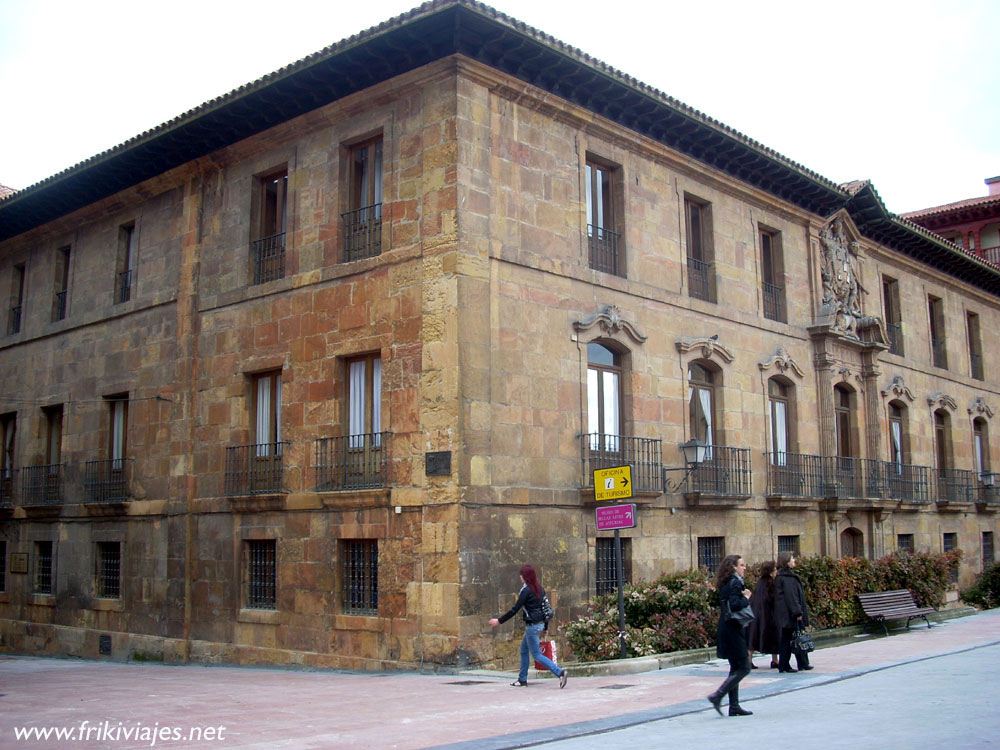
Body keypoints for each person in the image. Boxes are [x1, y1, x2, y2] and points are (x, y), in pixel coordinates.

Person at [489, 564, 568, 688]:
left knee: (537, 655)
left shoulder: (526, 591)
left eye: (521, 575)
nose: (520, 577)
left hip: (532, 626)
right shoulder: (539, 589)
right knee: (524, 650)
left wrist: (499, 621)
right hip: (539, 625)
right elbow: (545, 610)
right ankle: (522, 679)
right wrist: (545, 628)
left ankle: (560, 672)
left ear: (525, 577)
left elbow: (515, 609)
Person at [707, 554, 754, 717]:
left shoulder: (726, 582)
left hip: (727, 627)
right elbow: (734, 605)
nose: (744, 567)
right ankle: (718, 695)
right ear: (734, 567)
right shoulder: (735, 582)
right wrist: (746, 598)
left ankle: (734, 706)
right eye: (741, 565)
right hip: (733, 629)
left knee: (735, 667)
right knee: (744, 667)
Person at [775, 551, 814, 673]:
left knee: (795, 636)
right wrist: (797, 612)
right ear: (786, 561)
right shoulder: (787, 578)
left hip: (787, 614)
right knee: (790, 638)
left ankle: (801, 663)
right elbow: (792, 597)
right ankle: (786, 665)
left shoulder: (784, 576)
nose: (794, 561)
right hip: (790, 614)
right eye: (792, 559)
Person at [746, 560, 780, 669]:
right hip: (767, 615)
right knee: (773, 636)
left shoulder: (760, 582)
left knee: (754, 636)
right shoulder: (770, 583)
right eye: (775, 570)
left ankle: (749, 659)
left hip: (756, 613)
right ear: (770, 572)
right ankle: (775, 660)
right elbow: (772, 599)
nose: (776, 573)